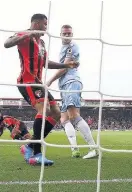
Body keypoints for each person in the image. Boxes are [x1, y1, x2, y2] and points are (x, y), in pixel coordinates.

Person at [3, 13, 79, 166]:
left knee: (56, 113)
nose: (46, 27)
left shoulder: (42, 43)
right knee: (44, 109)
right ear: (36, 24)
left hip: (38, 82)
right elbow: (7, 43)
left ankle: (29, 146)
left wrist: (66, 65)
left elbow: (45, 63)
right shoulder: (24, 35)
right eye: (45, 24)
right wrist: (28, 33)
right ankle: (35, 153)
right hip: (27, 81)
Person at [47, 24, 98, 159]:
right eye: (65, 33)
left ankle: (93, 148)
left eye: (70, 33)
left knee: (74, 116)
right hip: (65, 86)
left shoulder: (72, 47)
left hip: (71, 83)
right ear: (60, 34)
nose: (67, 35)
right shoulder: (63, 48)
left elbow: (65, 67)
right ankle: (74, 149)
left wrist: (50, 80)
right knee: (64, 119)